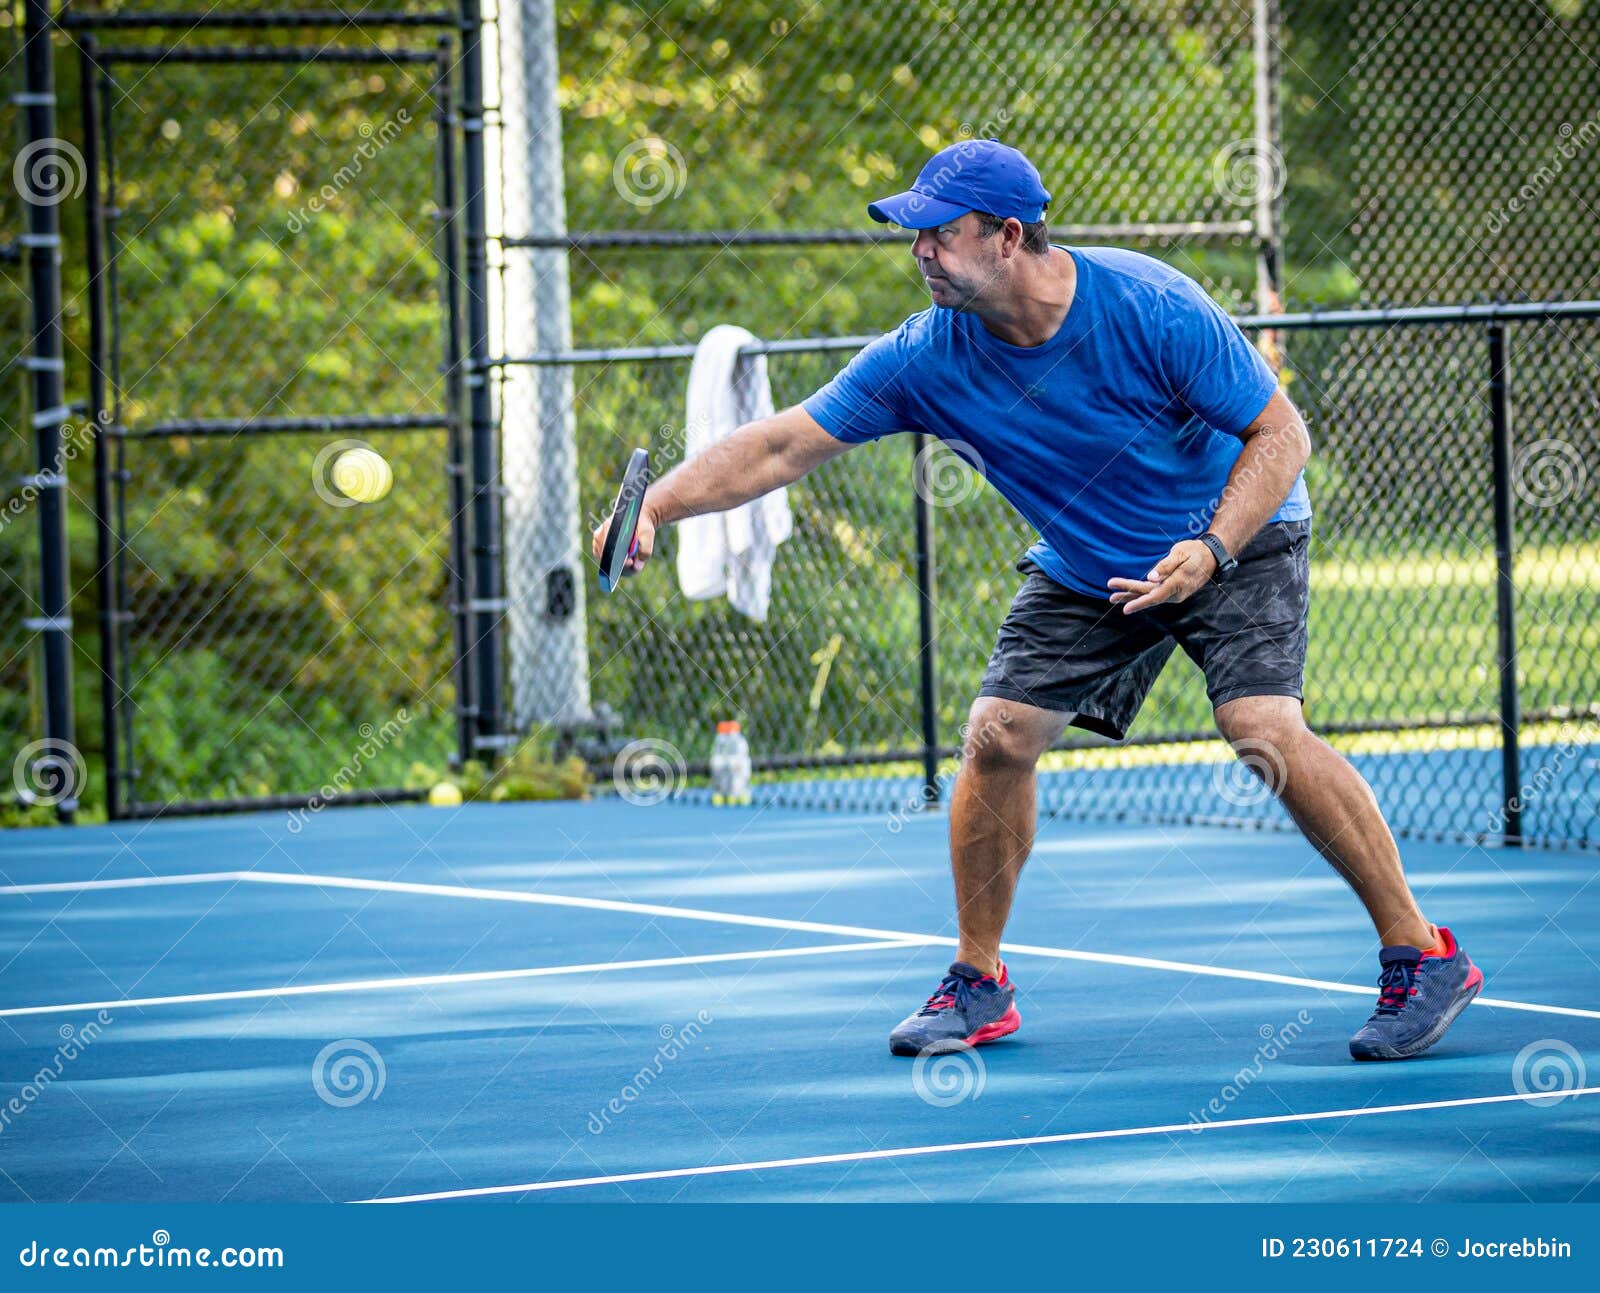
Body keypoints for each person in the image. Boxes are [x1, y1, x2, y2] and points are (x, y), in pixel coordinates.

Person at [592, 139, 1482, 1063]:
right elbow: (780, 447)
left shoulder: (1153, 306)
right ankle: (980, 982)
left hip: (1236, 529)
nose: (920, 253)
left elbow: (1281, 431)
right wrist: (657, 502)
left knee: (1259, 722)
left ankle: (1423, 955)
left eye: (939, 234)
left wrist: (1211, 547)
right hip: (1089, 560)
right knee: (996, 735)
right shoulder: (927, 355)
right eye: (914, 236)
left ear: (1007, 236)